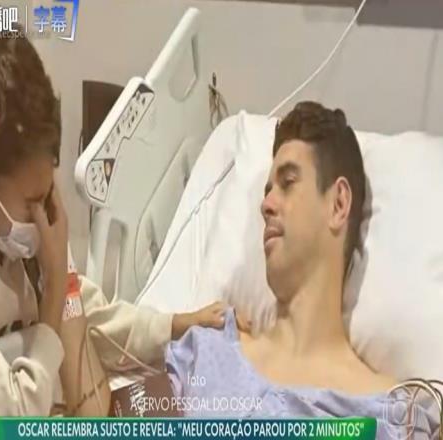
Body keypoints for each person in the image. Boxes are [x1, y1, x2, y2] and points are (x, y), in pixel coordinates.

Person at [0, 29, 241, 416]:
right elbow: (7, 423)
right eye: (31, 204)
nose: (44, 221)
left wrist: (174, 326)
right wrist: (54, 293)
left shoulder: (27, 238)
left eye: (47, 195)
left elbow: (90, 317)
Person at [166, 102, 440, 437]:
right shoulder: (205, 351)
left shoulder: (392, 417)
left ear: (338, 204)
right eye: (267, 190)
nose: (266, 205)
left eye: (288, 182)